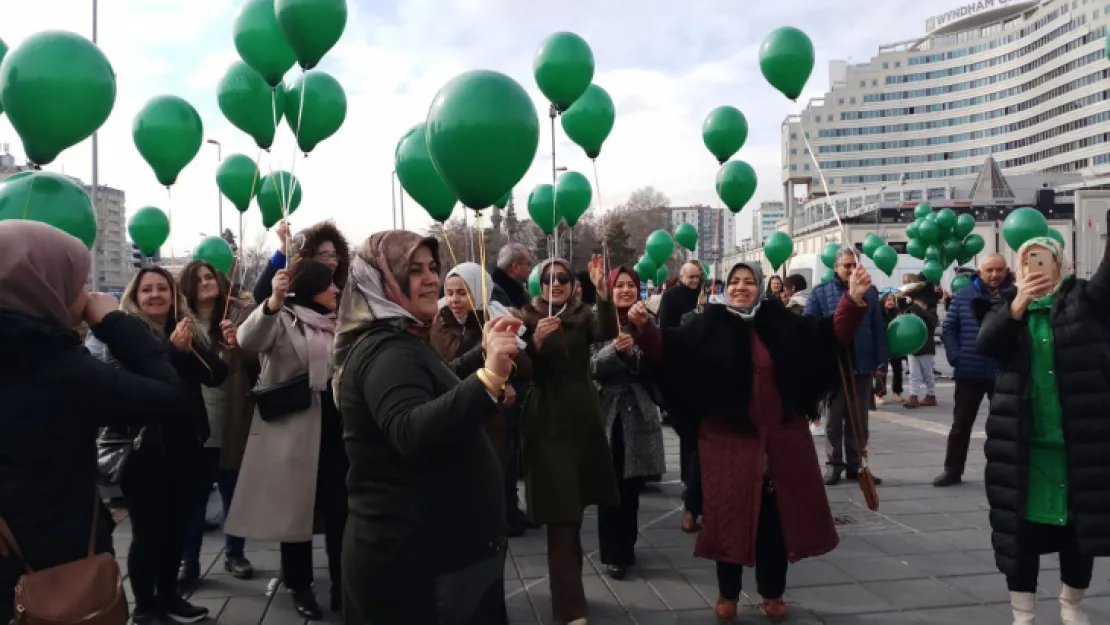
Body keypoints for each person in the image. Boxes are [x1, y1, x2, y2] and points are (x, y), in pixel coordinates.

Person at [627, 260, 872, 621]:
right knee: (727, 520)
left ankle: (772, 592)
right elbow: (666, 349)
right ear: (725, 286)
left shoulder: (781, 321)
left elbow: (829, 337)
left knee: (774, 524)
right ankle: (728, 592)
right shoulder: (706, 324)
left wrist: (852, 299)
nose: (741, 287)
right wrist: (643, 327)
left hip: (780, 443)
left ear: (760, 285)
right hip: (727, 444)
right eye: (734, 282)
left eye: (748, 282)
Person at [0, 222, 194, 625]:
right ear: (41, 286)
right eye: (76, 282)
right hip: (50, 560)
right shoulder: (47, 362)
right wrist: (116, 324)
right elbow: (170, 398)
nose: (85, 294)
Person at [333, 231, 517, 624]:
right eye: (413, 271)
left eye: (433, 267)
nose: (432, 279)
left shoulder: (403, 339)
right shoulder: (388, 350)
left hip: (433, 558)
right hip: (419, 569)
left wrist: (482, 363)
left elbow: (433, 389)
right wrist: (489, 378)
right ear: (379, 281)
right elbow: (408, 429)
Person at [978, 236, 1110, 625]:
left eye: (1042, 259)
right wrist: (1016, 307)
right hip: (1022, 449)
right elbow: (986, 344)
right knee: (1019, 537)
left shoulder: (1086, 300)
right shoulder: (1007, 308)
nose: (1034, 267)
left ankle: (1072, 605)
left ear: (1060, 262)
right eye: (1027, 261)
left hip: (1078, 444)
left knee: (1078, 532)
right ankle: (1024, 614)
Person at [88, 266, 229, 624]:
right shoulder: (125, 333)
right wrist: (171, 352)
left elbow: (215, 374)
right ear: (135, 296)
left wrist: (191, 349)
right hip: (142, 448)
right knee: (149, 531)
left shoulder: (185, 327)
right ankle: (145, 608)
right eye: (147, 289)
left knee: (177, 527)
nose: (155, 295)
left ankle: (170, 596)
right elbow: (133, 385)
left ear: (173, 294)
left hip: (185, 444)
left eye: (162, 288)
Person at [225, 260, 348, 618]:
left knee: (341, 511)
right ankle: (299, 585)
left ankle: (344, 583)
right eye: (329, 285)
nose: (336, 290)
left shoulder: (338, 321)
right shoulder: (282, 318)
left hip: (336, 429)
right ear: (311, 288)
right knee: (296, 514)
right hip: (293, 432)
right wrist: (272, 303)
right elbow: (248, 340)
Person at [516, 255, 618, 625]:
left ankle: (570, 594)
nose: (556, 284)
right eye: (548, 279)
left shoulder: (583, 314)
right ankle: (569, 609)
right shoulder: (526, 318)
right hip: (547, 423)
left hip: (584, 422)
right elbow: (518, 368)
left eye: (563, 278)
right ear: (538, 285)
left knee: (572, 517)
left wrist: (604, 296)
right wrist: (534, 344)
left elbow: (606, 331)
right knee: (561, 517)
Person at [176, 260, 257, 587]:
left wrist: (240, 342)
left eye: (210, 276)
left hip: (233, 420)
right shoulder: (181, 321)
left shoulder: (238, 313)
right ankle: (189, 560)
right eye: (198, 279)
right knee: (194, 499)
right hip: (197, 423)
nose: (206, 282)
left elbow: (258, 354)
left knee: (234, 495)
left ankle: (234, 553)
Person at [590, 267, 665, 581]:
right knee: (610, 488)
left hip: (637, 412)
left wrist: (641, 337)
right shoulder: (597, 319)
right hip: (607, 410)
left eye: (630, 285)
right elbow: (590, 365)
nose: (625, 291)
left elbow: (660, 360)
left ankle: (627, 546)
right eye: (618, 285)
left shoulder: (645, 320)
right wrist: (614, 351)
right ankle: (612, 554)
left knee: (631, 488)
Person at [805, 248, 888, 486]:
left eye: (855, 265)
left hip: (862, 364)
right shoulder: (820, 294)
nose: (852, 270)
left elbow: (877, 328)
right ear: (835, 268)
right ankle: (834, 465)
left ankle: (857, 465)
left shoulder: (870, 293)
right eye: (846, 266)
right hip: (834, 367)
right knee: (833, 420)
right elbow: (811, 328)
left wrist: (881, 361)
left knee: (859, 419)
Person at [431, 262, 528, 460]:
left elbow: (525, 365)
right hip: (449, 414)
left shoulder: (497, 320)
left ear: (479, 290)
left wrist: (505, 379)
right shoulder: (436, 323)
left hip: (490, 420)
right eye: (449, 293)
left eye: (462, 292)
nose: (454, 300)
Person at [935, 254, 1011, 487]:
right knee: (961, 424)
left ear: (1006, 271)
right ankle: (952, 470)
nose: (995, 275)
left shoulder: (1014, 296)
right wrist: (956, 356)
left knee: (1005, 426)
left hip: (1002, 370)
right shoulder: (963, 295)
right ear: (980, 272)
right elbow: (949, 329)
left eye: (999, 270)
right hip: (969, 369)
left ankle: (1005, 473)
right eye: (989, 270)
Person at [491, 243, 537, 535]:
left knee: (512, 454)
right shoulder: (498, 291)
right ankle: (505, 513)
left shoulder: (511, 290)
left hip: (518, 381)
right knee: (505, 455)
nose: (529, 270)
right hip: (506, 384)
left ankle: (511, 509)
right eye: (527, 265)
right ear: (514, 267)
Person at [655, 261, 704, 509]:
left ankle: (698, 477)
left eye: (698, 277)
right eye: (691, 277)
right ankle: (688, 478)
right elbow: (665, 327)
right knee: (686, 429)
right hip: (680, 362)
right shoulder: (672, 296)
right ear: (682, 277)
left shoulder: (705, 295)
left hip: (702, 365)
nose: (695, 281)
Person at [252, 220, 350, 305]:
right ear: (308, 259)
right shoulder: (293, 297)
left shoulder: (342, 295)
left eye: (333, 256)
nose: (332, 262)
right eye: (324, 256)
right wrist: (285, 247)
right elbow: (261, 296)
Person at [900, 282, 939, 409]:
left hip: (926, 348)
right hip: (913, 347)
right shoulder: (912, 311)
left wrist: (916, 308)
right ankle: (913, 396)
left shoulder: (931, 313)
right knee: (913, 374)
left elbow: (930, 321)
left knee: (928, 374)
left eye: (919, 302)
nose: (917, 304)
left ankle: (931, 395)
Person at [881, 293, 905, 405]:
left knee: (898, 369)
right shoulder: (880, 313)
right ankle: (879, 393)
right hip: (884, 345)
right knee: (882, 371)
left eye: (892, 300)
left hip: (896, 346)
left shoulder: (897, 312)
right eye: (888, 300)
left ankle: (897, 392)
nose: (890, 302)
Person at [492, 242, 533, 308]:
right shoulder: (501, 297)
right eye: (528, 264)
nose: (530, 270)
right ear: (515, 267)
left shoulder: (489, 292)